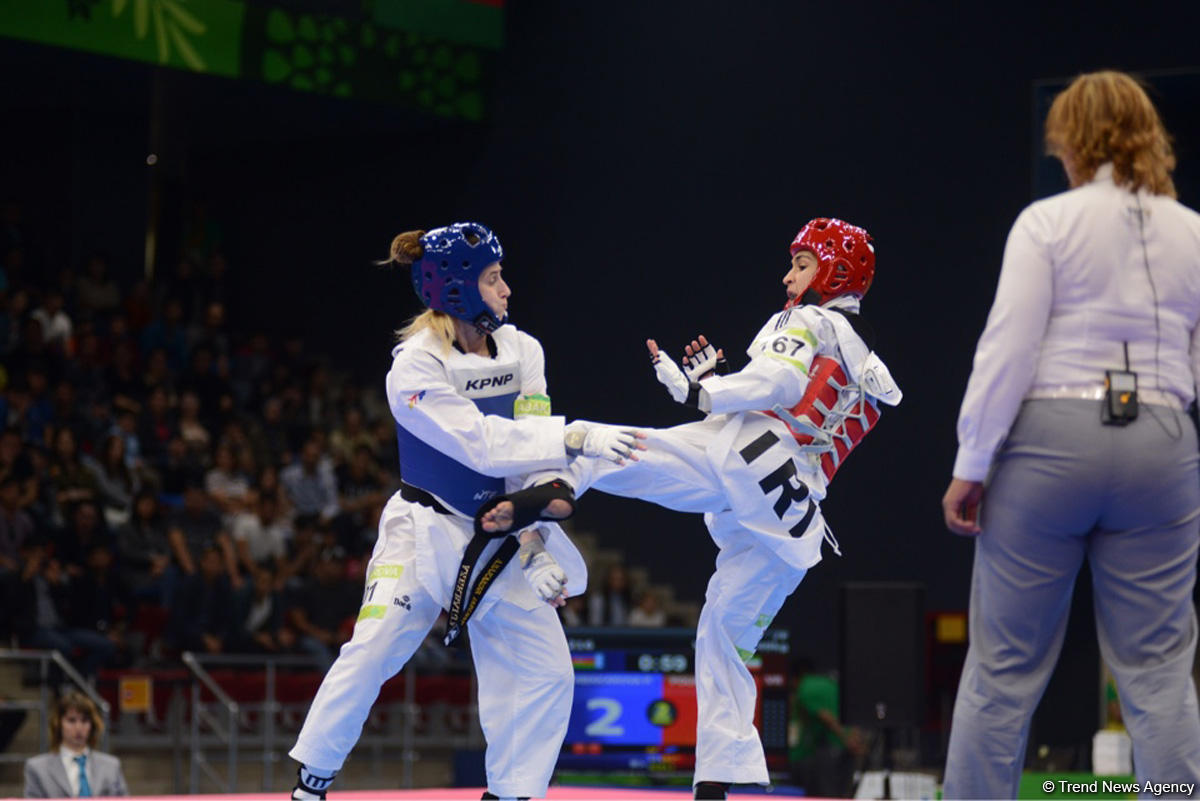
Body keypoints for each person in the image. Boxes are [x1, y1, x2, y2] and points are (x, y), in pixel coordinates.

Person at [491, 217, 901, 799]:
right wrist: (720, 387)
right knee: (722, 638)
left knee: (597, 443)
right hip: (795, 519)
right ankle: (719, 782)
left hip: (747, 458)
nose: (789, 276)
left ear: (833, 272)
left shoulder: (805, 318)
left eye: (802, 264)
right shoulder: (871, 364)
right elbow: (805, 417)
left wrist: (702, 391)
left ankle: (542, 517)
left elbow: (778, 385)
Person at [288, 222, 642, 801]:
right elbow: (480, 443)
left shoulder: (525, 349)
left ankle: (510, 794)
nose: (506, 289)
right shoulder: (413, 367)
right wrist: (575, 436)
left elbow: (527, 453)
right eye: (494, 278)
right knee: (374, 650)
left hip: (501, 533)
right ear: (457, 290)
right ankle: (313, 779)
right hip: (421, 528)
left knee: (549, 672)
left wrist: (533, 545)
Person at [940, 70, 1200, 799]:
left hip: (1051, 442)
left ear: (1072, 142)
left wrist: (973, 462)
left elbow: (1008, 350)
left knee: (1002, 668)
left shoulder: (1046, 223)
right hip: (1161, 440)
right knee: (1158, 669)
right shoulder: (1195, 232)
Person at [23, 690, 129, 797]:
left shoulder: (111, 766)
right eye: (71, 720)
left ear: (92, 725)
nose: (78, 728)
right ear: (58, 724)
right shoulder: (37, 768)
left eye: (84, 720)